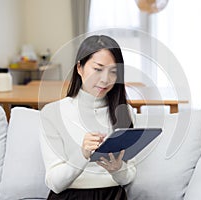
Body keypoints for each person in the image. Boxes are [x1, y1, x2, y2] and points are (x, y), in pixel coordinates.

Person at [40, 35, 136, 200]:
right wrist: (82, 155)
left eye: (113, 72)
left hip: (113, 196)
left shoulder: (125, 112)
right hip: (69, 196)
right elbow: (54, 183)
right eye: (98, 69)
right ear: (79, 67)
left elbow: (129, 176)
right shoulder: (52, 113)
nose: (105, 79)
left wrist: (117, 169)